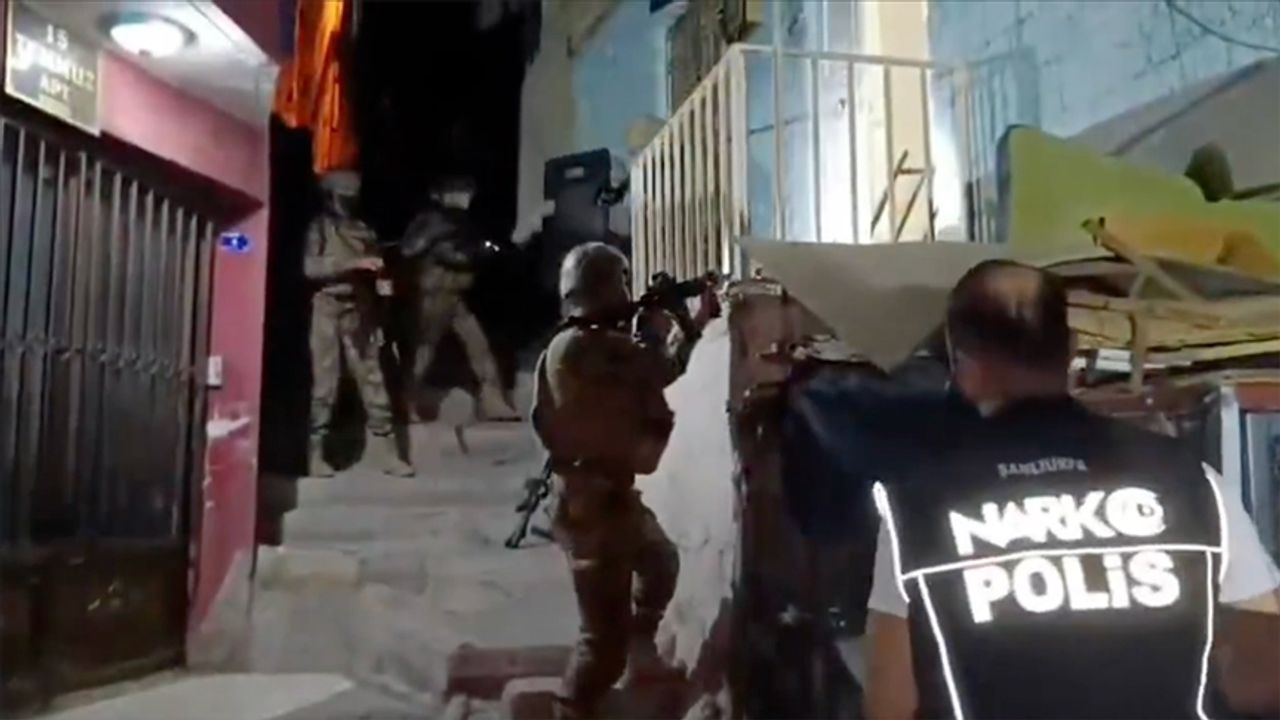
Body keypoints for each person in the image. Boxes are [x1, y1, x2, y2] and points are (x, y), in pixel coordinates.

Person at [864, 260, 1280, 719]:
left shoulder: (915, 506)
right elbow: (1266, 672)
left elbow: (890, 706)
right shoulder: (1192, 481)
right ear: (1072, 350)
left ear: (962, 366)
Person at [530, 242, 717, 719]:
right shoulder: (586, 347)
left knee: (659, 563)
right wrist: (673, 324)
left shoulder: (579, 343)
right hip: (592, 510)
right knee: (600, 644)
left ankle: (638, 649)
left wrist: (676, 322)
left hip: (609, 499)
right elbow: (660, 370)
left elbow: (649, 372)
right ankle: (572, 709)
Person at [306, 170, 414, 478]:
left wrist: (382, 285)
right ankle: (315, 454)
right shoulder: (320, 228)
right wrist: (352, 264)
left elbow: (379, 267)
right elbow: (310, 267)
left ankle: (390, 453)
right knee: (325, 385)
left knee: (373, 381)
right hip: (328, 307)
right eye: (344, 195)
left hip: (360, 309)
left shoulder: (362, 229)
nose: (349, 200)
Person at [400, 176, 519, 422]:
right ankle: (405, 402)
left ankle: (493, 403)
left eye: (467, 191)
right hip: (436, 294)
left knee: (479, 348)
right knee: (424, 351)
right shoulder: (435, 221)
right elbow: (418, 250)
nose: (465, 197)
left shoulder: (457, 221)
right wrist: (471, 252)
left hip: (454, 296)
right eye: (459, 191)